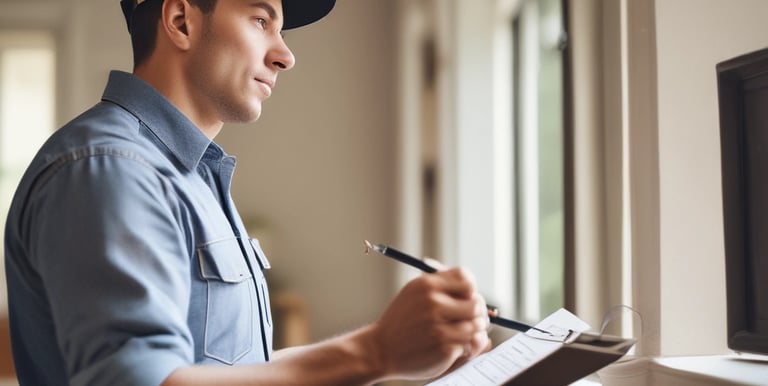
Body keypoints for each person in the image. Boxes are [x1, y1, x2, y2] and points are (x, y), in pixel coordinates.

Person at [4, 0, 491, 385]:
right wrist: (376, 351)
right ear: (180, 20)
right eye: (261, 19)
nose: (285, 53)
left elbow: (226, 368)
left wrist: (397, 356)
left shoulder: (187, 174)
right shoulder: (112, 171)